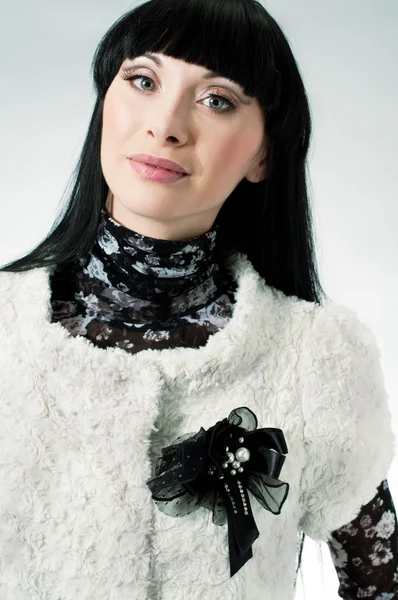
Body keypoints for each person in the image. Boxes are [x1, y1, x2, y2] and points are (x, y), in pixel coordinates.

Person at [0, 0, 396, 598]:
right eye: (142, 81)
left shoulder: (319, 358)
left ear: (264, 153)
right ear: (105, 103)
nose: (166, 125)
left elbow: (381, 582)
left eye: (217, 100)